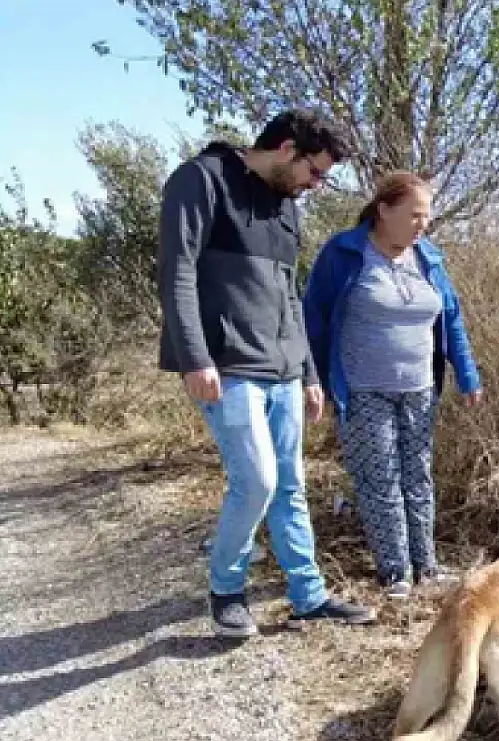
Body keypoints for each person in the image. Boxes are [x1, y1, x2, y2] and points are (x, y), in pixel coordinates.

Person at [157, 108, 376, 637]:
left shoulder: (286, 209)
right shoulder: (201, 181)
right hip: (226, 367)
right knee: (256, 481)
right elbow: (177, 269)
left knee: (290, 486)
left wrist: (308, 372)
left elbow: (289, 295)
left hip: (281, 368)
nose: (315, 185)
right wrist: (194, 355)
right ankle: (226, 591)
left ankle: (309, 596)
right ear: (286, 149)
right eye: (315, 171)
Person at [303, 172, 484, 598]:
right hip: (364, 390)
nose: (422, 225)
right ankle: (395, 572)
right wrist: (310, 378)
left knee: (418, 477)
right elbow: (312, 319)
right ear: (384, 211)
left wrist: (467, 373)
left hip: (420, 389)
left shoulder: (429, 259)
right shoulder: (344, 254)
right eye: (414, 215)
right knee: (379, 479)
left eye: (427, 217)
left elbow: (451, 319)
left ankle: (428, 567)